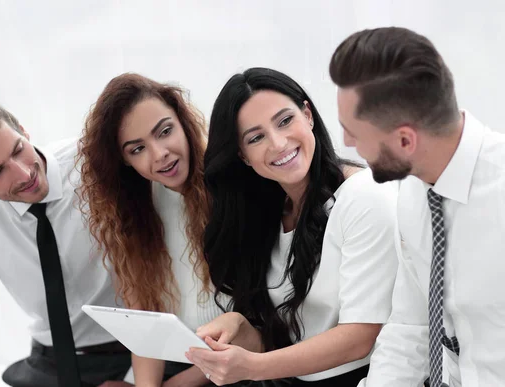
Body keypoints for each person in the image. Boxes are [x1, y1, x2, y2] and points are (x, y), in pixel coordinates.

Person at [185, 67, 398, 386]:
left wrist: (253, 366)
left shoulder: (362, 195)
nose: (279, 142)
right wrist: (244, 329)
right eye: (256, 137)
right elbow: (295, 343)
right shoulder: (270, 210)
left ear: (308, 115)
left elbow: (359, 338)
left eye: (285, 120)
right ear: (243, 155)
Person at [329, 26, 505, 387]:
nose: (346, 142)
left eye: (354, 132)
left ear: (405, 140)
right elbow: (411, 327)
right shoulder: (412, 191)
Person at [0, 99, 131, 387]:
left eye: (18, 150)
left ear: (24, 132)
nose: (25, 174)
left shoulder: (93, 162)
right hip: (48, 363)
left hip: (138, 352)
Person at [76, 73, 228, 387]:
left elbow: (260, 324)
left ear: (183, 122)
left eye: (165, 131)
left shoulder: (230, 185)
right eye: (137, 149)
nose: (159, 154)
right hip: (178, 365)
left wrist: (179, 384)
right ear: (124, 161)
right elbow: (145, 324)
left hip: (235, 365)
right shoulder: (133, 212)